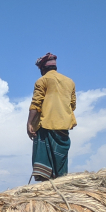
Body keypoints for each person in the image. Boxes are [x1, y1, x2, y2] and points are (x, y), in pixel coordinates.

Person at [27, 52, 77, 181]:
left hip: (46, 125)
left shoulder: (42, 81)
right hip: (63, 127)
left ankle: (49, 187)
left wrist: (29, 123)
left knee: (45, 167)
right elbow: (73, 105)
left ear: (43, 68)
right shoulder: (70, 82)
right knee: (60, 161)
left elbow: (36, 104)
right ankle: (60, 183)